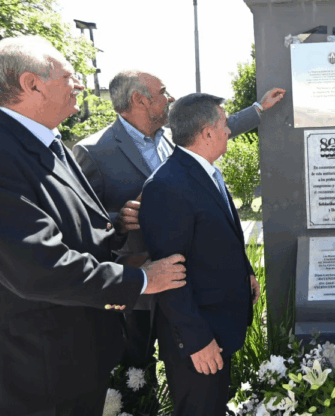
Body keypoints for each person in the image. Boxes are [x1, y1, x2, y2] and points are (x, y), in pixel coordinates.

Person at [0, 36, 187, 415]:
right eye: (68, 76)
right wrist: (142, 280)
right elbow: (38, 269)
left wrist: (116, 228)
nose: (79, 85)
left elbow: (65, 228)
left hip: (72, 366)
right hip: (27, 379)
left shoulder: (50, 145)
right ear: (31, 84)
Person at [72, 70, 284, 368]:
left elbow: (216, 128)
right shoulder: (92, 151)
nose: (170, 97)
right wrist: (116, 221)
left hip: (187, 285)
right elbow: (80, 219)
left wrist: (258, 108)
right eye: (162, 92)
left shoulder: (174, 137)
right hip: (141, 284)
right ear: (139, 100)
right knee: (137, 371)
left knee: (189, 368)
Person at [139, 94, 258, 416]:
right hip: (199, 340)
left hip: (219, 328)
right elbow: (169, 276)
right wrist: (196, 340)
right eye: (224, 124)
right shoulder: (167, 186)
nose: (229, 131)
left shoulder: (205, 172)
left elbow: (218, 235)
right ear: (206, 133)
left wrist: (246, 271)